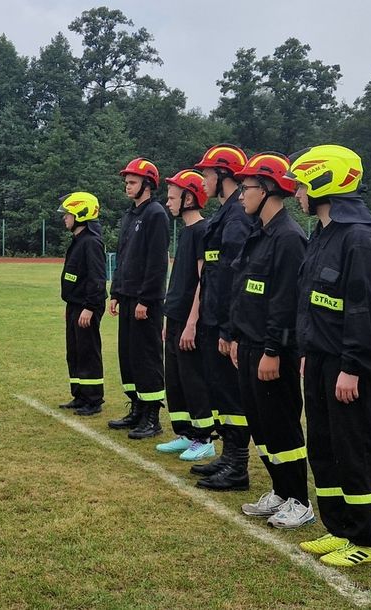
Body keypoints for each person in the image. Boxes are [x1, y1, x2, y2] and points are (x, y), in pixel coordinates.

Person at [288, 145, 371, 566]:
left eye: (301, 183)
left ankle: (365, 541)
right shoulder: (323, 234)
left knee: (354, 450)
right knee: (325, 447)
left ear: (323, 183)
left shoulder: (359, 239)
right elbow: (313, 301)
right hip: (319, 359)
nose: (297, 192)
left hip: (349, 366)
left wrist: (351, 366)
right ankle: (339, 528)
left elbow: (365, 312)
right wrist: (306, 350)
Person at [226, 152, 315, 530]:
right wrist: (233, 336)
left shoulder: (289, 238)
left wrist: (272, 350)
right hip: (248, 346)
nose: (241, 195)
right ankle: (279, 491)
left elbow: (284, 302)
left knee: (281, 424)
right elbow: (244, 291)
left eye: (246, 188)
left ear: (267, 190)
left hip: (271, 351)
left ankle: (299, 499)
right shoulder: (258, 235)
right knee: (261, 425)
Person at [191, 144, 254, 490]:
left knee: (231, 395)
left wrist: (229, 330)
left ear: (224, 175)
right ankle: (230, 456)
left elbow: (236, 279)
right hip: (213, 319)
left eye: (207, 174)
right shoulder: (224, 215)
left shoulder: (237, 218)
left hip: (224, 323)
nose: (202, 181)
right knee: (219, 391)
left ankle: (238, 465)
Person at [107, 157, 170, 439]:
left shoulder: (156, 214)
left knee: (146, 357)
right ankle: (136, 409)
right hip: (128, 297)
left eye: (132, 182)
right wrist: (116, 293)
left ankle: (152, 416)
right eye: (126, 182)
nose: (127, 187)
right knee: (129, 356)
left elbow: (157, 262)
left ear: (147, 184)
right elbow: (123, 258)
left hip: (146, 301)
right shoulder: (130, 216)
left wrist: (146, 299)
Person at [155, 170, 215, 461]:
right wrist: (171, 322)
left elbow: (204, 281)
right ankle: (186, 433)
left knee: (193, 378)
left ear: (189, 198)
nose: (168, 203)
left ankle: (205, 437)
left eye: (172, 197)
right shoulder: (186, 232)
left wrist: (192, 323)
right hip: (175, 318)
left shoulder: (204, 230)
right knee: (176, 378)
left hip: (191, 322)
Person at [56, 191, 107, 416]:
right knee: (75, 350)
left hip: (87, 306)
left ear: (80, 214)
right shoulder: (78, 240)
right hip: (75, 305)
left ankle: (93, 399)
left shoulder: (91, 242)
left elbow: (97, 279)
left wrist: (89, 307)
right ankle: (79, 394)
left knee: (88, 350)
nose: (64, 218)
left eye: (67, 214)